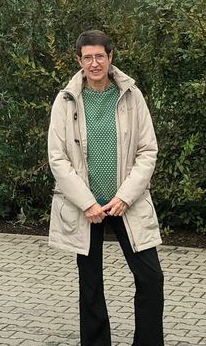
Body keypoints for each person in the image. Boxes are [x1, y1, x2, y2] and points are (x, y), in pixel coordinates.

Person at [47, 30, 164, 346]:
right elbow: (57, 158)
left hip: (126, 202)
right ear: (79, 60)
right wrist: (86, 202)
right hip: (87, 207)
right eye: (87, 57)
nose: (94, 63)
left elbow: (147, 150)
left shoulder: (131, 95)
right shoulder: (66, 99)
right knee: (90, 285)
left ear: (111, 57)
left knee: (151, 278)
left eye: (100, 56)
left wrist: (126, 196)